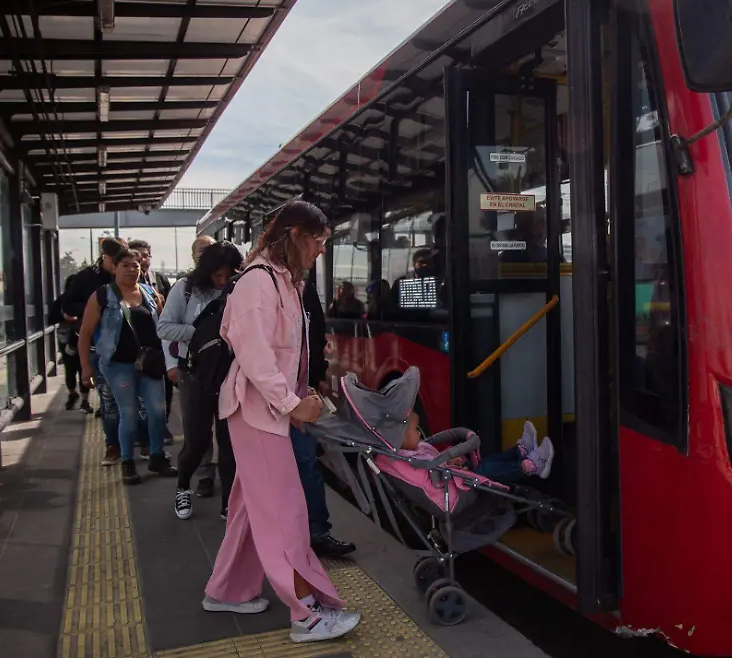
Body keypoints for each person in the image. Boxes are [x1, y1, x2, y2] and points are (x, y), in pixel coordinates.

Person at [203, 199, 360, 644]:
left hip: (262, 411)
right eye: (318, 239)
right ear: (294, 235)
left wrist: (299, 395)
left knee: (252, 511)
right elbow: (255, 355)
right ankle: (306, 614)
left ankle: (227, 590)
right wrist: (292, 404)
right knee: (285, 513)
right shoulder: (260, 281)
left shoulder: (279, 280)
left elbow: (279, 355)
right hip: (259, 414)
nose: (321, 249)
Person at [78, 249, 178, 485]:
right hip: (118, 364)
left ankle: (156, 455)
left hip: (150, 363)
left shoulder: (149, 293)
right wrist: (85, 367)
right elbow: (85, 332)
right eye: (126, 265)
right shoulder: (102, 296)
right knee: (129, 413)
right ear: (115, 268)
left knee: (156, 411)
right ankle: (127, 461)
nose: (133, 269)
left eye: (136, 266)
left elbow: (163, 327)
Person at [163, 241, 243, 519]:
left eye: (227, 274)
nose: (222, 281)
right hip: (195, 375)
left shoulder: (239, 290)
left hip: (230, 376)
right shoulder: (186, 288)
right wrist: (199, 333)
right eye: (216, 275)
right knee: (196, 440)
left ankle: (228, 502)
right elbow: (164, 327)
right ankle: (183, 487)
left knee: (229, 442)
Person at [290, 271, 356, 557]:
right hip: (266, 402)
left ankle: (318, 532)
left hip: (300, 392)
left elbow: (315, 336)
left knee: (307, 461)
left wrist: (313, 381)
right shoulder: (257, 285)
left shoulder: (304, 288)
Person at [62, 237, 126, 463]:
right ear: (105, 257)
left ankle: (135, 443)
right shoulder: (84, 279)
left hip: (128, 350)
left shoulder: (130, 275)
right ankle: (113, 445)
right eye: (116, 260)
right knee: (109, 402)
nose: (122, 266)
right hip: (97, 349)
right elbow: (68, 305)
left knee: (131, 403)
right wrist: (96, 307)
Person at [398, 416, 554, 485]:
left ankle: (520, 452)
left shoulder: (417, 448)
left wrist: (451, 461)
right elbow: (432, 472)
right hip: (456, 485)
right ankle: (531, 466)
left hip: (456, 476)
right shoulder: (413, 459)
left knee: (488, 462)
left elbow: (437, 462)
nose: (419, 432)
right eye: (414, 430)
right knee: (487, 470)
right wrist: (450, 467)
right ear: (403, 439)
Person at [128, 239, 176, 447]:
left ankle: (160, 427)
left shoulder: (159, 280)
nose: (142, 259)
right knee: (133, 397)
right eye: (137, 255)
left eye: (146, 255)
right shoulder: (118, 287)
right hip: (131, 350)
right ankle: (140, 432)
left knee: (162, 391)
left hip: (158, 348)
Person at [50, 273, 88, 411]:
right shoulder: (62, 301)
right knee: (70, 368)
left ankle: (85, 399)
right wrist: (64, 316)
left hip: (82, 337)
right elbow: (51, 318)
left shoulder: (86, 300)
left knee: (83, 367)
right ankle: (72, 393)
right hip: (66, 339)